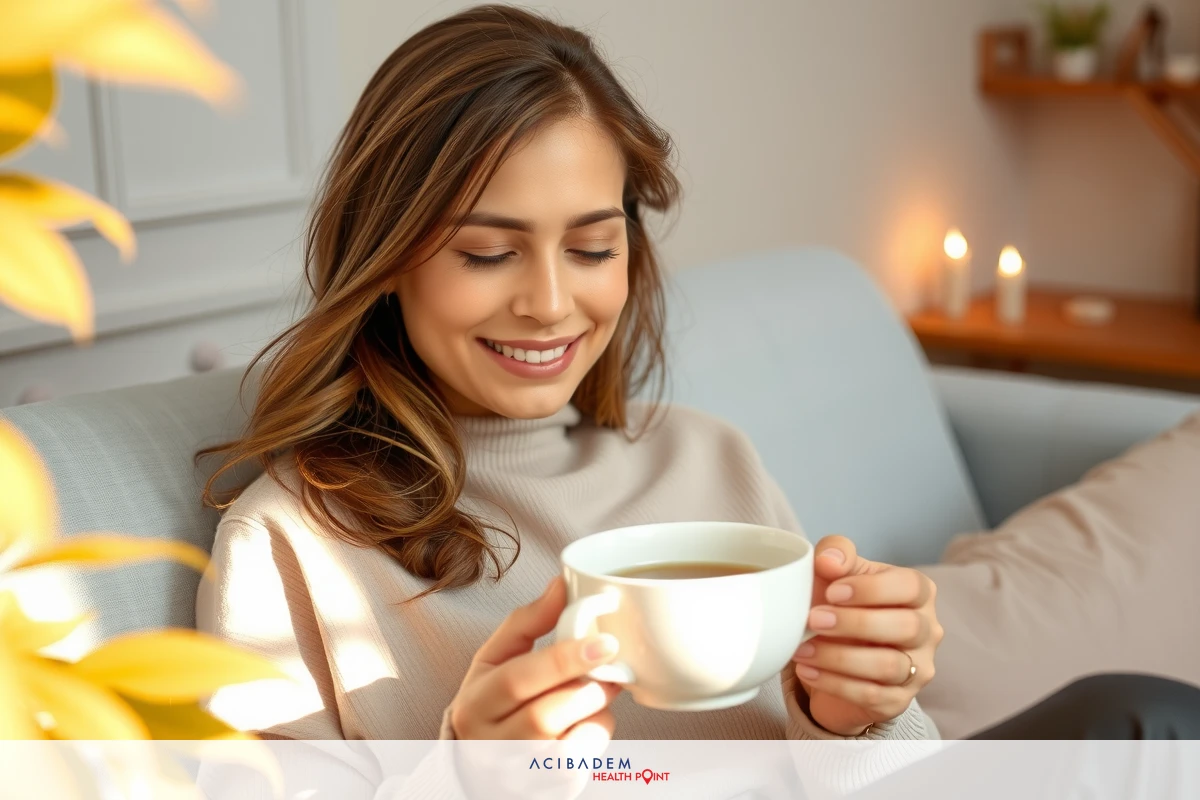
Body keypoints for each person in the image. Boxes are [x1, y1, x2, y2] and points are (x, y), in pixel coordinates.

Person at [194, 6, 1200, 796]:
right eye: (487, 250)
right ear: (386, 255)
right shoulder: (291, 545)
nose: (550, 301)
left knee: (1144, 726)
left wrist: (861, 715)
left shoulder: (706, 457)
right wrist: (462, 775)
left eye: (592, 246)